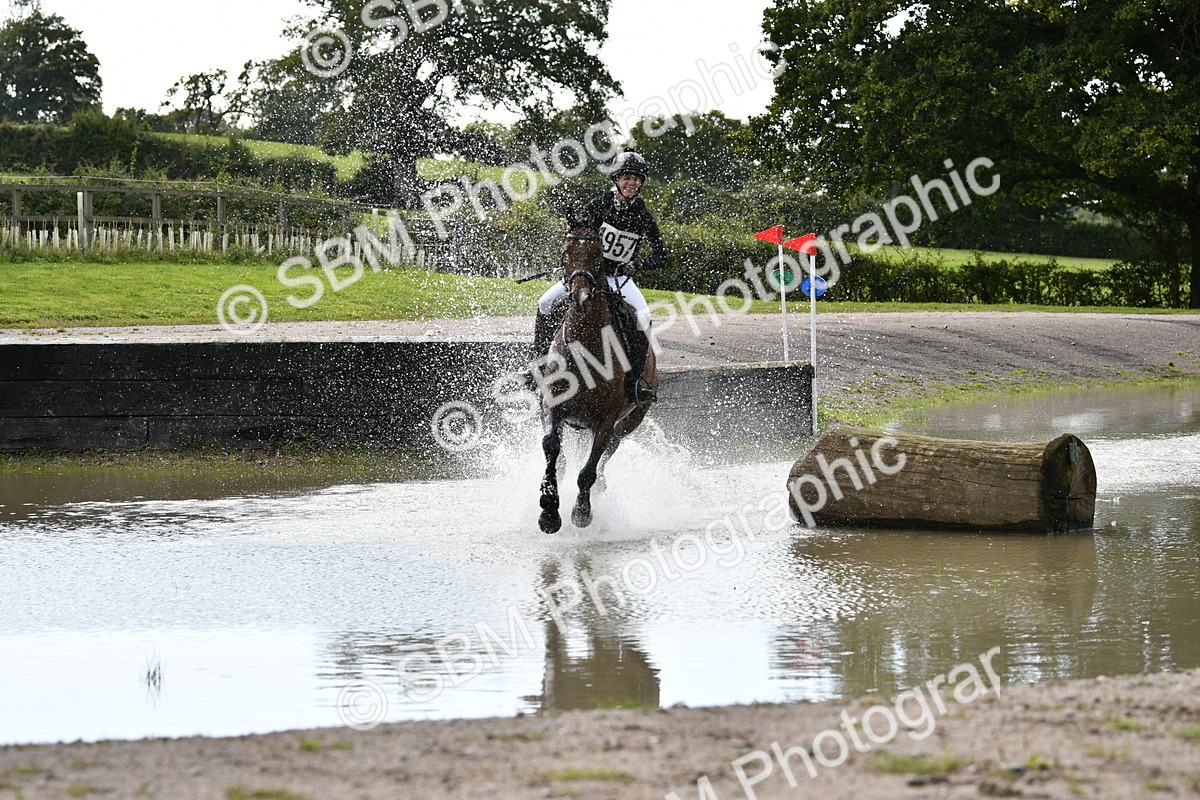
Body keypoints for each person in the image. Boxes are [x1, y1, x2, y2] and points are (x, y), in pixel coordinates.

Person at [529, 150, 668, 405]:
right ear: (616, 179)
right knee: (545, 303)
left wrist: (636, 264)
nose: (632, 183)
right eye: (627, 177)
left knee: (644, 317)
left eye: (637, 179)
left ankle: (634, 381)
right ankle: (536, 367)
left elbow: (662, 257)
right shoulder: (599, 204)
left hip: (618, 280)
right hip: (588, 277)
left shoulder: (643, 216)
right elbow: (577, 236)